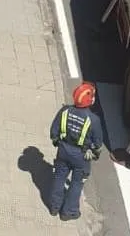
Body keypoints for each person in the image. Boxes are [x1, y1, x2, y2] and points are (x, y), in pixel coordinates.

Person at [48, 82, 103, 221]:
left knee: (59, 178)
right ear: (90, 100)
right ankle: (69, 212)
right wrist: (95, 154)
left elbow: (54, 132)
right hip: (81, 157)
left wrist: (58, 143)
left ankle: (54, 207)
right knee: (76, 183)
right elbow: (98, 144)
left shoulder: (65, 111)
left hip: (63, 151)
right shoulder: (94, 120)